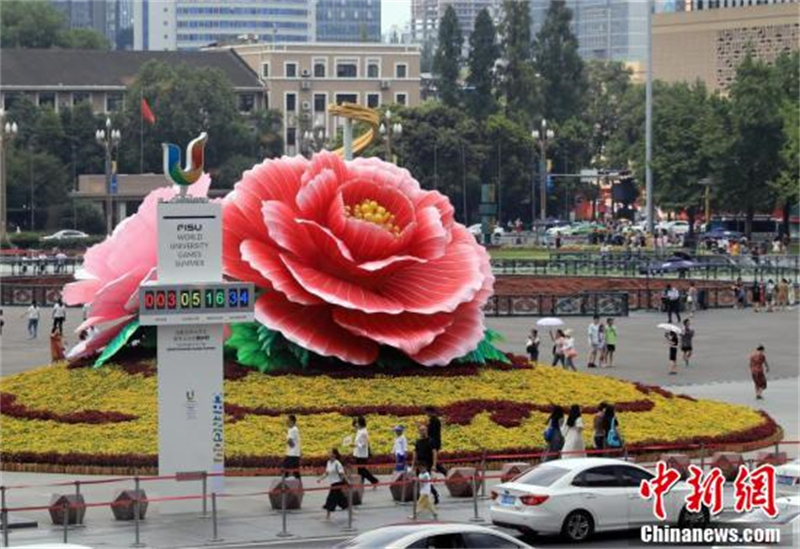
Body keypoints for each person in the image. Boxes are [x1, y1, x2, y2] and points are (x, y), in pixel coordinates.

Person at [411, 424, 440, 504]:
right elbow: (415, 453)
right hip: (419, 464)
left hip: (427, 464)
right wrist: (413, 465)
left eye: (423, 430)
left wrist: (434, 465)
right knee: (420, 481)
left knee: (426, 481)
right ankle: (424, 497)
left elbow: (434, 453)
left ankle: (434, 494)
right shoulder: (418, 441)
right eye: (420, 430)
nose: (422, 432)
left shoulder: (431, 441)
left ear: (426, 431)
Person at [318, 448, 348, 520]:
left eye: (330, 452)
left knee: (330, 499)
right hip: (332, 483)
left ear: (334, 454)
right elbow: (327, 473)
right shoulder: (328, 462)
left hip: (337, 483)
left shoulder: (337, 463)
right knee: (341, 499)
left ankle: (327, 515)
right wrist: (320, 479)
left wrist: (348, 482)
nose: (328, 453)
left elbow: (342, 474)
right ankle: (350, 510)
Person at [352, 416, 379, 488]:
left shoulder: (364, 432)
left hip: (362, 454)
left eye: (357, 422)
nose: (356, 424)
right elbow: (354, 426)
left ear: (360, 423)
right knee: (360, 470)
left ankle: (374, 481)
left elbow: (364, 444)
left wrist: (355, 445)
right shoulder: (360, 430)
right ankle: (361, 484)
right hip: (358, 453)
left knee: (362, 470)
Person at [426, 407, 447, 476]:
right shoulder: (433, 420)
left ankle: (444, 472)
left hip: (433, 443)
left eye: (427, 412)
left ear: (431, 412)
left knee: (431, 460)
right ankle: (444, 472)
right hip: (433, 442)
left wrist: (430, 442)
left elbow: (433, 433)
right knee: (430, 460)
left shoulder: (434, 421)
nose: (426, 414)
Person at [282, 414, 301, 479]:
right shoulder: (292, 429)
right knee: (295, 471)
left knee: (286, 469)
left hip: (292, 454)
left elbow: (290, 442)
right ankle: (299, 485)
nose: (286, 422)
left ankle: (284, 485)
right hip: (294, 453)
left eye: (288, 420)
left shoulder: (293, 430)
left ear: (292, 421)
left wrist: (288, 442)